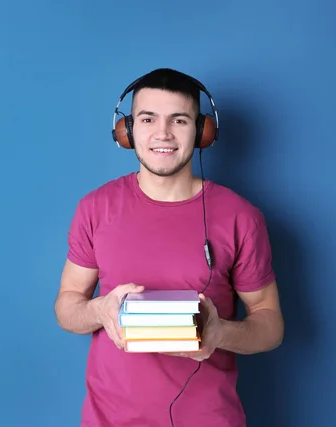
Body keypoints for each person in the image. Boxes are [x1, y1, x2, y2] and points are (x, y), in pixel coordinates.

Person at [54, 68, 284, 427]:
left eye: (178, 120)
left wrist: (220, 332)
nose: (162, 133)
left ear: (203, 132)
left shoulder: (241, 216)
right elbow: (67, 306)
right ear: (127, 131)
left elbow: (270, 325)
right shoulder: (94, 208)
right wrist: (100, 311)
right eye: (148, 119)